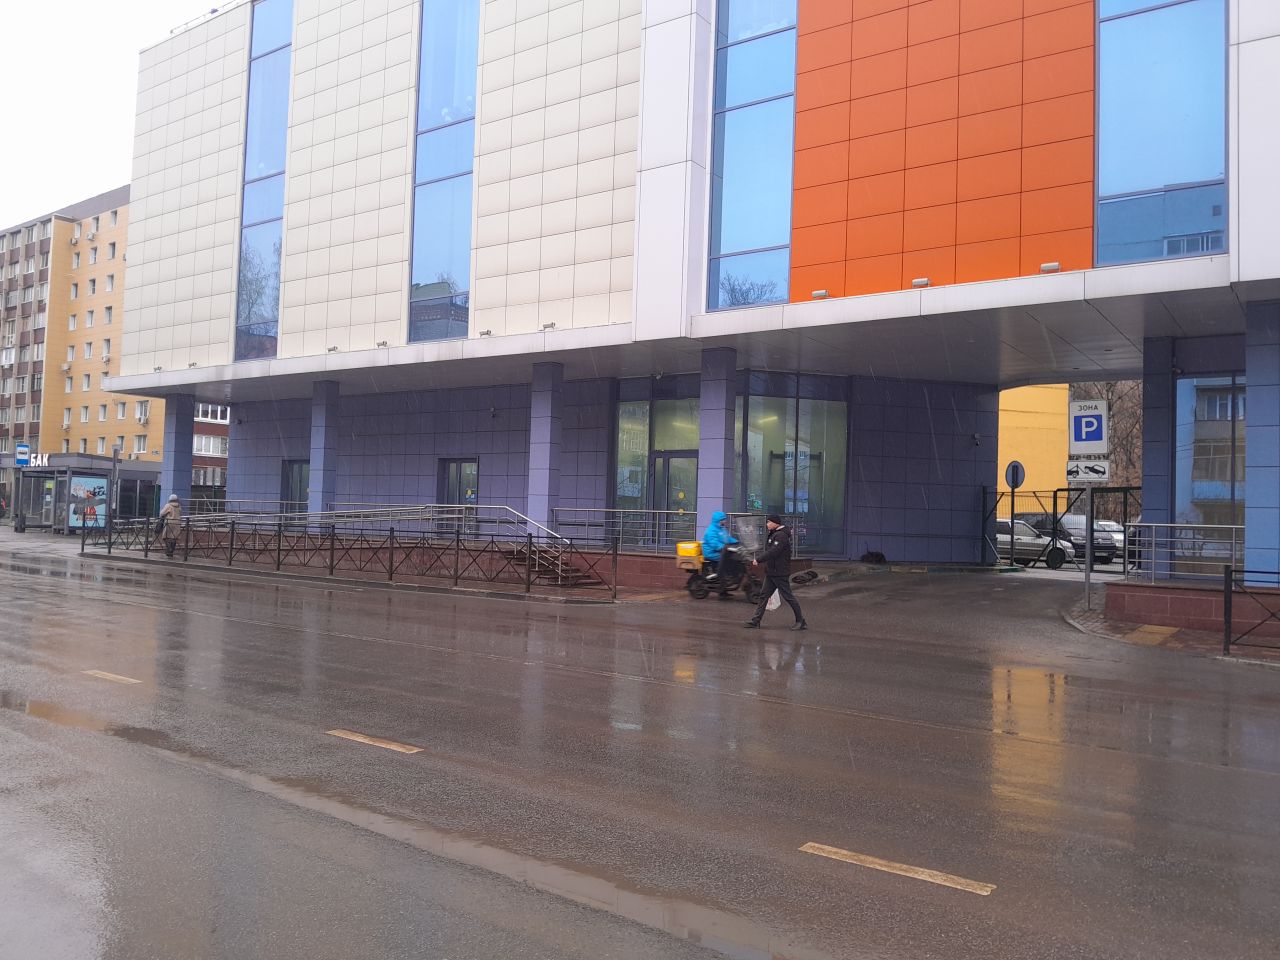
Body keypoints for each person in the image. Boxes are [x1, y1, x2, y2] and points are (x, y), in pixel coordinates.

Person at [744, 515, 806, 631]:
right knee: (763, 596)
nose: (767, 524)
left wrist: (759, 560)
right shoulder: (774, 534)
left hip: (780, 572)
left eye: (769, 522)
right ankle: (756, 621)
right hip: (772, 572)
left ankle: (800, 621)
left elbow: (774, 551)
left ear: (775, 523)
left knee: (788, 597)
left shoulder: (781, 536)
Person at [701, 511, 736, 578]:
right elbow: (714, 543)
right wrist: (725, 547)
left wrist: (736, 542)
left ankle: (730, 575)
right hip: (711, 552)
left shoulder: (722, 528)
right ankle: (720, 575)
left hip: (720, 550)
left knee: (734, 556)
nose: (725, 521)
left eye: (725, 519)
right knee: (728, 558)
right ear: (718, 520)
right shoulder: (711, 530)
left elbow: (727, 538)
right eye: (723, 520)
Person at [158, 493, 183, 558]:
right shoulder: (179, 506)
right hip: (177, 523)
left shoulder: (168, 505)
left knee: (166, 537)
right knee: (174, 538)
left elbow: (162, 513)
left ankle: (169, 549)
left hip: (169, 523)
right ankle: (171, 551)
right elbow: (180, 512)